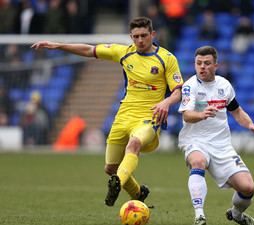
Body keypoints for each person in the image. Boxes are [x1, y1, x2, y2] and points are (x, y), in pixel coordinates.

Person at [32, 17, 183, 206]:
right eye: (136, 36)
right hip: (124, 115)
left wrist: (166, 102)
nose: (140, 40)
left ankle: (117, 184)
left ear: (152, 35)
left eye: (144, 35)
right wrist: (58, 46)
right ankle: (138, 193)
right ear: (131, 37)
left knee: (133, 145)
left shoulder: (167, 59)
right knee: (111, 167)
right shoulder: (123, 53)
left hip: (149, 117)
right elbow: (89, 50)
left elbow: (178, 91)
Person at [178, 46, 254, 225]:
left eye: (207, 63)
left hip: (221, 145)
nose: (202, 67)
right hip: (195, 140)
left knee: (248, 188)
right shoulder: (190, 86)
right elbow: (186, 115)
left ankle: (236, 213)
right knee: (198, 161)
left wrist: (250, 124)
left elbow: (237, 111)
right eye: (198, 63)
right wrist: (201, 114)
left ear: (216, 65)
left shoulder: (224, 85)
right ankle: (199, 216)